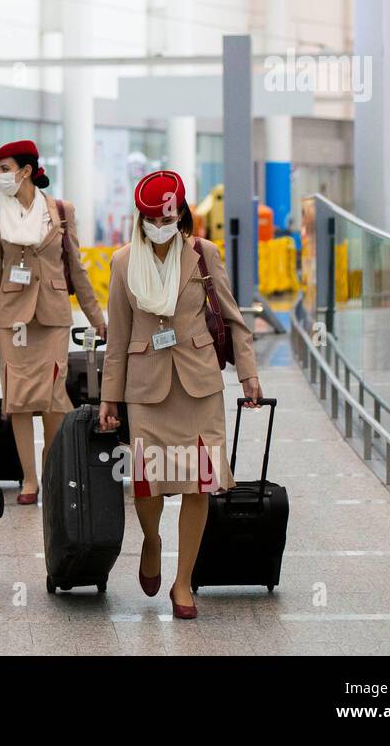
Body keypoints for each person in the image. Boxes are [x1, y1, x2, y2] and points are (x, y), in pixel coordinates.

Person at [98, 169, 263, 620]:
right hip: (146, 386)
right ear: (142, 219)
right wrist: (108, 398)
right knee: (147, 483)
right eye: (152, 218)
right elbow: (117, 338)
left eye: (168, 216)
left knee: (200, 482)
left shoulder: (204, 255)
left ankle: (183, 582)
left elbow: (233, 318)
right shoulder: (122, 262)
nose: (161, 225)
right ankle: (152, 542)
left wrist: (247, 373)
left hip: (199, 383)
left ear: (180, 213)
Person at [0, 140, 107, 504]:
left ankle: (51, 469)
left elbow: (77, 269)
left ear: (27, 171)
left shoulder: (61, 212)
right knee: (18, 398)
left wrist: (97, 318)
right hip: (12, 318)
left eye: (6, 168)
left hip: (51, 315)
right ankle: (29, 478)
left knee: (52, 395)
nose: (1, 176)